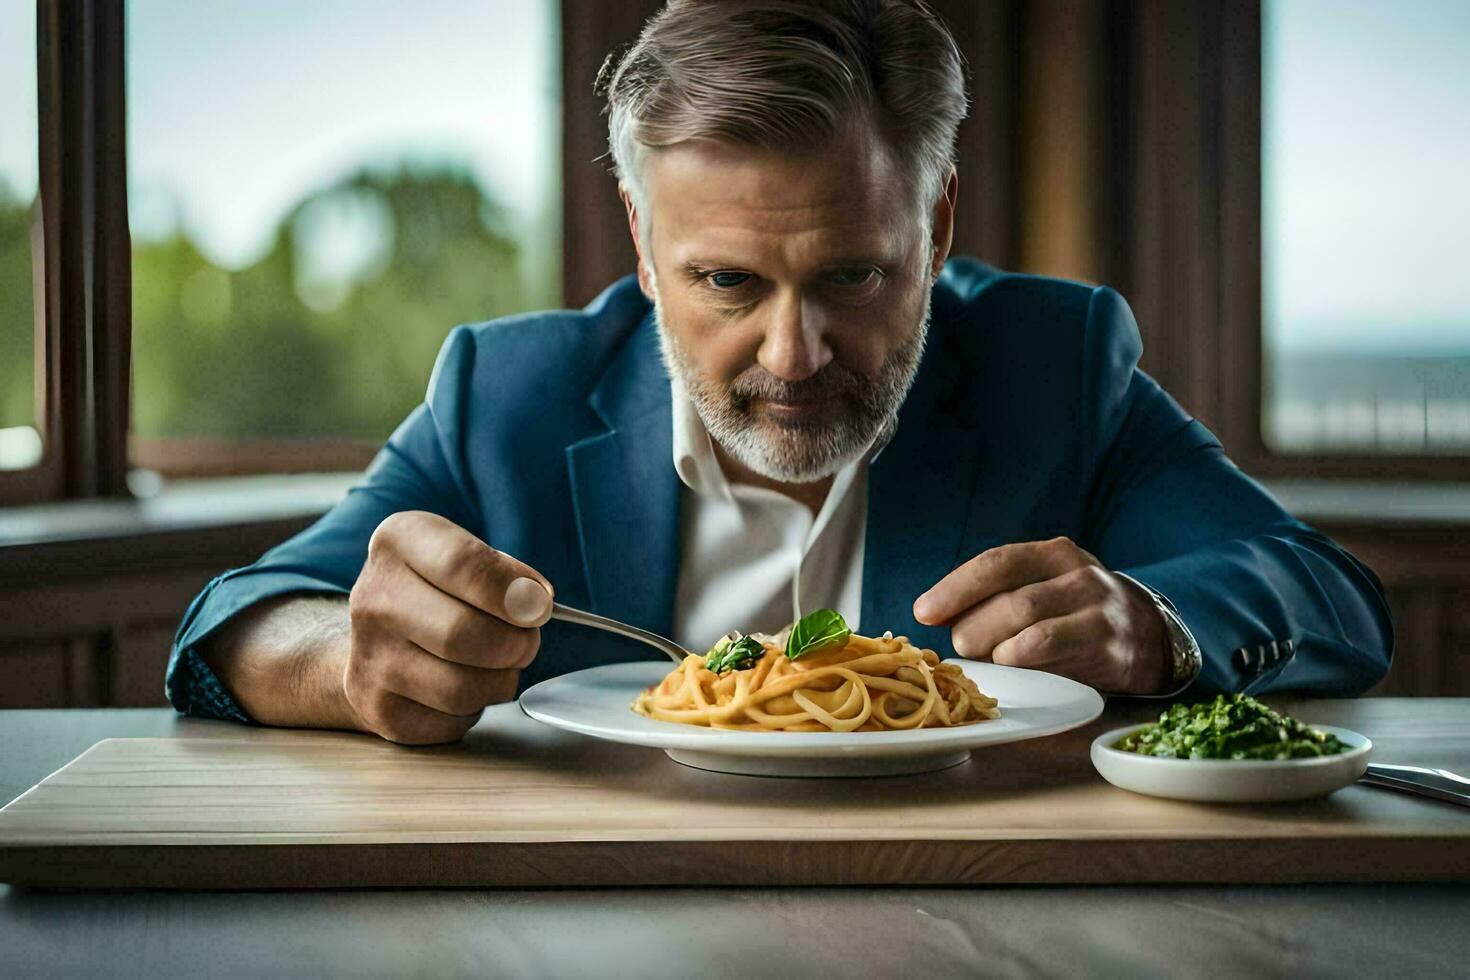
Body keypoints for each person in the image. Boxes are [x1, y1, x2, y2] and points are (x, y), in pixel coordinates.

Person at [166, 0, 1393, 745]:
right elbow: (236, 621)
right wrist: (346, 660)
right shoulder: (508, 394)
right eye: (728, 282)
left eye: (855, 276)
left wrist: (1155, 627)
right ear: (644, 248)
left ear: (938, 227)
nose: (794, 356)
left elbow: (1328, 594)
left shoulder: (1054, 364)